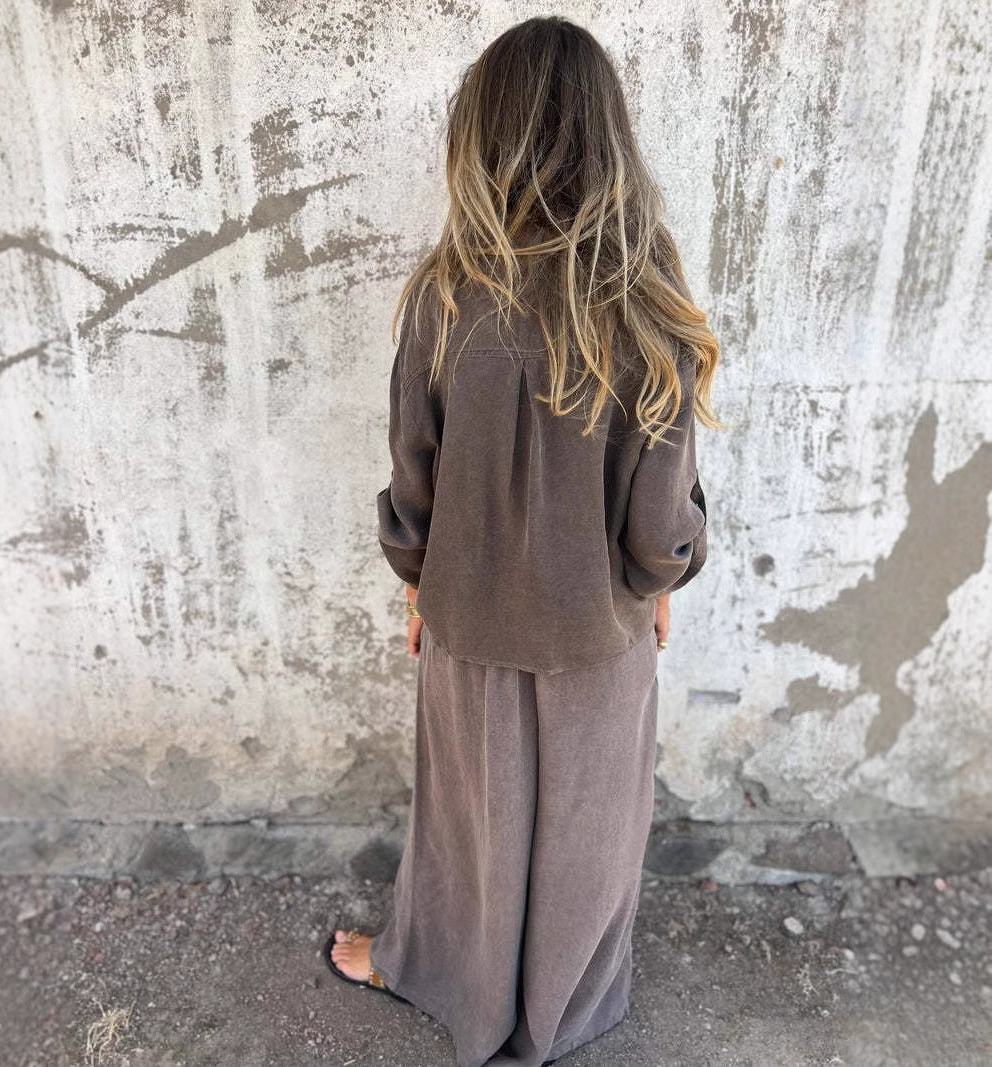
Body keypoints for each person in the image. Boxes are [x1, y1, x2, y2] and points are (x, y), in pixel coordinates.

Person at [323, 14, 722, 1067]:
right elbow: (661, 504)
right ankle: (566, 1009)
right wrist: (662, 576)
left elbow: (414, 464)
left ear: (481, 136)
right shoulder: (646, 296)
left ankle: (440, 973)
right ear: (608, 139)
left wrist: (417, 579)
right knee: (592, 824)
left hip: (469, 614)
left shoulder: (444, 292)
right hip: (600, 623)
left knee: (471, 820)